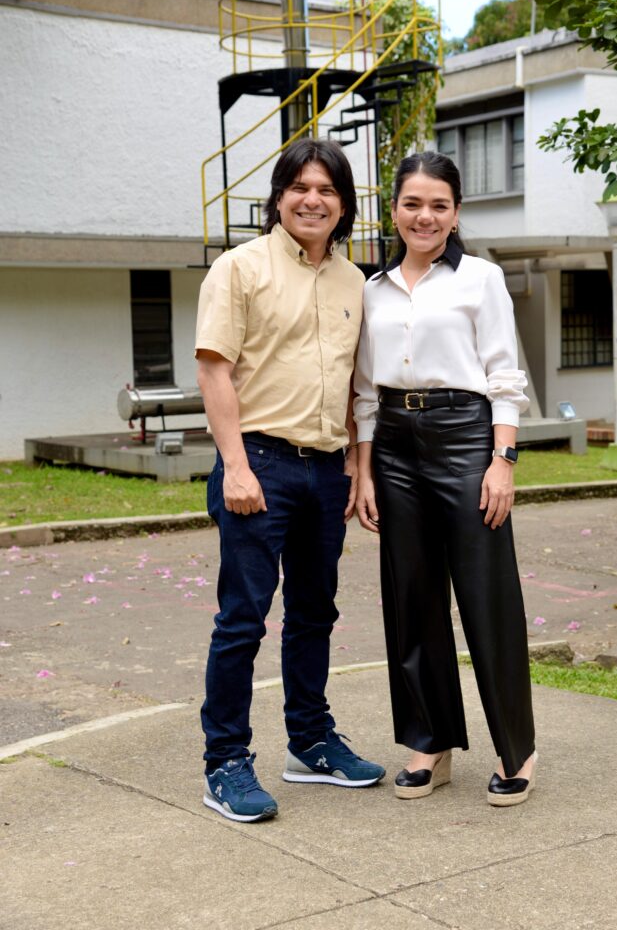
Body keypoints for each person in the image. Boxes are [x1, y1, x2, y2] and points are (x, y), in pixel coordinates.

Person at [195, 138, 385, 824]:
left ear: (344, 206)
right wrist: (237, 464)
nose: (313, 199)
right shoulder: (239, 268)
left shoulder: (355, 282)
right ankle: (225, 762)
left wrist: (357, 467)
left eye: (328, 190)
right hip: (260, 464)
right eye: (300, 187)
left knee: (314, 613)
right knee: (243, 619)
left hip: (326, 470)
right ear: (278, 197)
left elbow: (357, 386)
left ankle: (309, 743)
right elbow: (215, 369)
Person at [354, 151, 537, 807]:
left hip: (466, 437)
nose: (424, 215)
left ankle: (517, 749)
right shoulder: (370, 288)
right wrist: (366, 468)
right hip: (396, 446)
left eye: (439, 204)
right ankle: (429, 744)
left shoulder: (481, 279)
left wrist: (502, 461)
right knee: (412, 599)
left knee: (486, 596)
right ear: (394, 210)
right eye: (412, 203)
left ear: (456, 212)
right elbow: (366, 391)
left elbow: (505, 376)